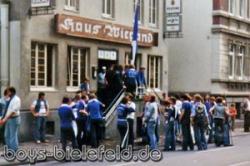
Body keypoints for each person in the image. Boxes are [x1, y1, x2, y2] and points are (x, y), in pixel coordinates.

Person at [0, 87, 21, 152]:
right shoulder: (10, 99)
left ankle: (14, 151)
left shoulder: (16, 99)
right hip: (8, 119)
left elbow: (13, 111)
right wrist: (3, 118)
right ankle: (9, 150)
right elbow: (6, 110)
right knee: (6, 135)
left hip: (14, 119)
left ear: (11, 92)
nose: (7, 93)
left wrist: (5, 119)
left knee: (13, 136)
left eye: (8, 92)